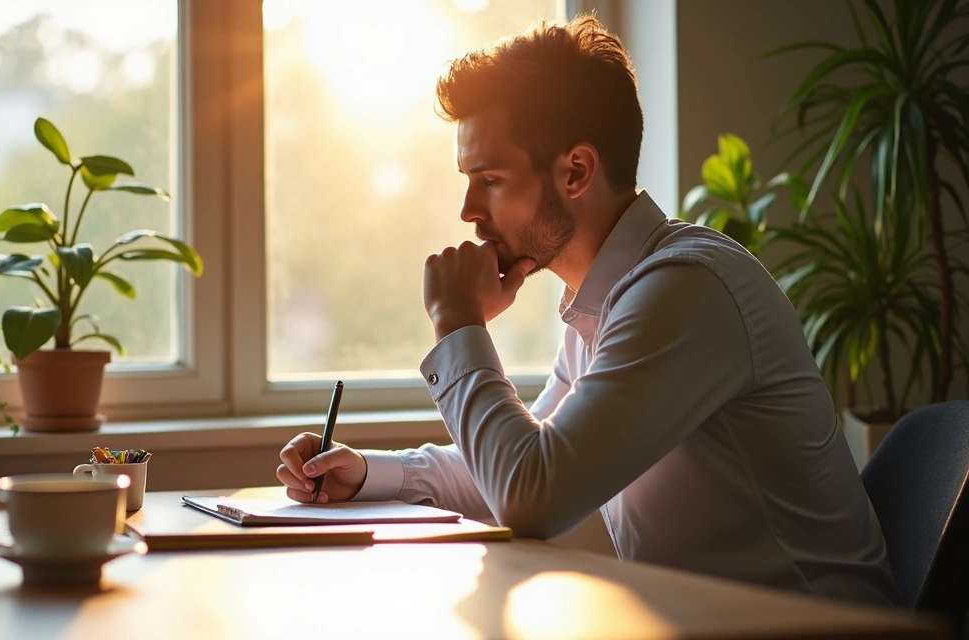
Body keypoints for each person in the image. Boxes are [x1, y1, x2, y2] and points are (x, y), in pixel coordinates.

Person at [275, 14, 900, 606]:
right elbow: (512, 470)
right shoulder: (609, 300)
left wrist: (458, 323)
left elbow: (532, 494)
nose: (468, 209)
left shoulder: (683, 291)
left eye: (489, 178)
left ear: (576, 171)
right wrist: (365, 474)